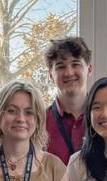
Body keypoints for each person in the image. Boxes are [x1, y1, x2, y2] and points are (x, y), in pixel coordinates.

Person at [44, 37, 93, 165]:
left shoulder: (104, 120)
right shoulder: (38, 123)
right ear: (50, 75)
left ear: (89, 69)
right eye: (61, 67)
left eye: (75, 64)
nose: (69, 73)